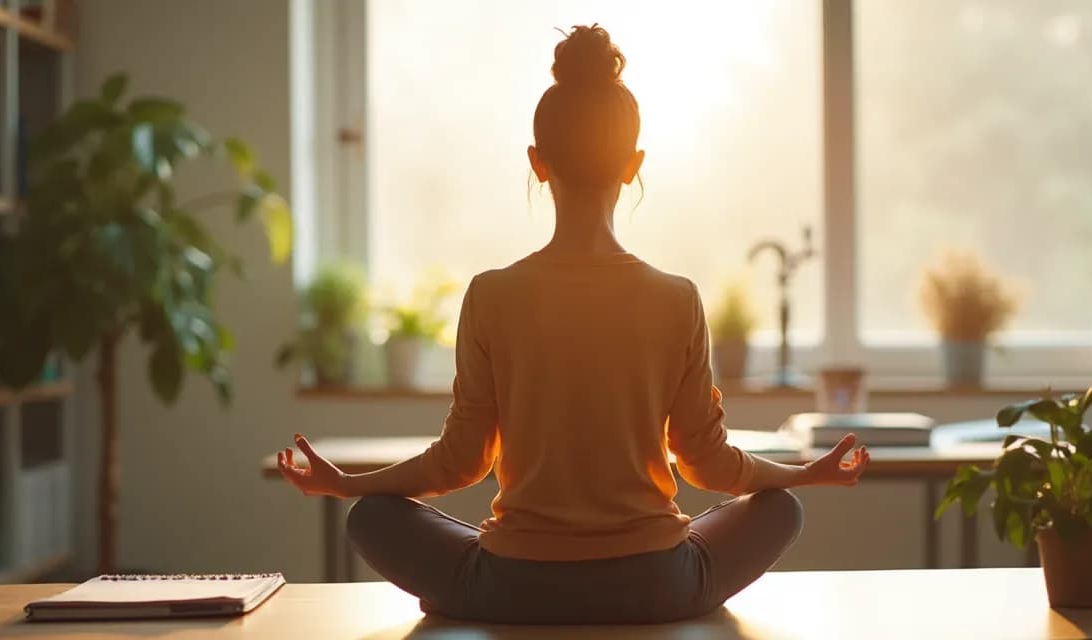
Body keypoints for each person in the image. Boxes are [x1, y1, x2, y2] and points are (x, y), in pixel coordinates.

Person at [275, 24, 869, 625]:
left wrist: (350, 485)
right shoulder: (677, 298)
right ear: (634, 166)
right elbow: (706, 465)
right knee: (781, 508)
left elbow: (460, 462)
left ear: (537, 164)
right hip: (657, 583)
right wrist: (803, 472)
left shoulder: (491, 295)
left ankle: (473, 593)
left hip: (513, 585)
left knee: (372, 517)